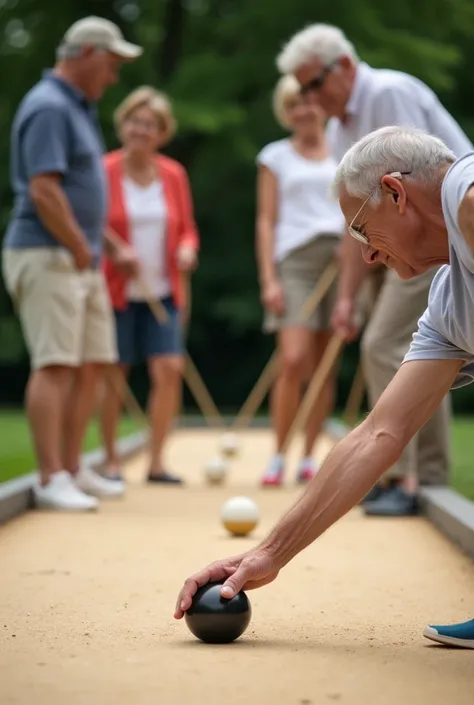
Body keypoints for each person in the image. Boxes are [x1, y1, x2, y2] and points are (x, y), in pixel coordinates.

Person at [174, 125, 474, 649]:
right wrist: (267, 553)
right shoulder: (451, 302)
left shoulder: (471, 201)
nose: (367, 256)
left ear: (397, 194)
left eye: (361, 230)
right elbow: (377, 433)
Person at [275, 23, 474, 516]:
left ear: (343, 66)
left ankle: (408, 478)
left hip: (440, 237)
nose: (310, 99)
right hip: (421, 237)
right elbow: (361, 223)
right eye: (302, 91)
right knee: (435, 346)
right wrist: (346, 297)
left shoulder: (387, 94)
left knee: (384, 342)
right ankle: (420, 476)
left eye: (314, 84)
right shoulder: (342, 127)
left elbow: (417, 192)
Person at [1, 16, 143, 511]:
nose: (114, 76)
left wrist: (105, 244)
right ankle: (48, 477)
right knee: (56, 363)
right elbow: (43, 189)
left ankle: (71, 467)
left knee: (93, 363)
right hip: (47, 252)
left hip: (78, 254)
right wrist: (80, 246)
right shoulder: (48, 107)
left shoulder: (78, 108)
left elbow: (77, 193)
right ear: (86, 53)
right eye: (112, 63)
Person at [99, 86, 199, 485]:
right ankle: (109, 460)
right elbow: (90, 221)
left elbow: (188, 229)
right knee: (114, 373)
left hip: (163, 290)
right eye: (135, 122)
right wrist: (116, 249)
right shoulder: (103, 170)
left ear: (161, 132)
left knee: (170, 368)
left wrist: (188, 250)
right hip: (116, 290)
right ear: (123, 125)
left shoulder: (173, 174)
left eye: (150, 125)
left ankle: (156, 461)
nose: (141, 130)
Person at [255, 75, 346, 487]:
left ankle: (310, 457)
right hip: (295, 260)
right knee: (293, 359)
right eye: (294, 104)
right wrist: (268, 278)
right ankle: (278, 454)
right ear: (285, 112)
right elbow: (266, 219)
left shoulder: (346, 149)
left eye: (309, 101)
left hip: (342, 260)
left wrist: (358, 243)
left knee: (325, 367)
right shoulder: (275, 156)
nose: (304, 110)